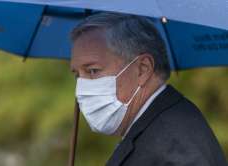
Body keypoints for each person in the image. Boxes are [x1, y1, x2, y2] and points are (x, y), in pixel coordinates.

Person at [70, 12, 227, 166]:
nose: (81, 88)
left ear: (143, 69)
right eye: (77, 75)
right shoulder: (152, 127)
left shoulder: (175, 144)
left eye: (93, 71)